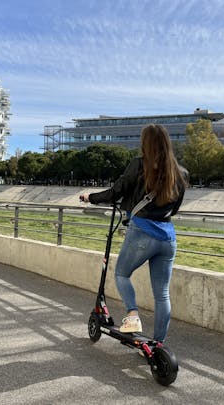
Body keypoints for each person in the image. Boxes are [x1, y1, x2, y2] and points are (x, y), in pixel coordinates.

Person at [79, 124, 187, 343]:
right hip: (167, 237)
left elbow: (115, 192)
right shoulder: (180, 173)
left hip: (142, 232)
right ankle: (158, 346)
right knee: (162, 294)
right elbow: (174, 209)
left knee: (122, 274)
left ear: (145, 144)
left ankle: (133, 315)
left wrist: (90, 197)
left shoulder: (139, 165)